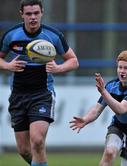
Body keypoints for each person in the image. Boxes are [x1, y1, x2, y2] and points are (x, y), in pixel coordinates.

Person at [0, 0, 79, 166]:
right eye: (28, 14)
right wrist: (7, 65)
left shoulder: (53, 36)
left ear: (42, 12)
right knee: (24, 150)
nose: (33, 17)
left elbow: (73, 61)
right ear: (22, 14)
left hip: (42, 94)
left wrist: (57, 68)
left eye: (36, 13)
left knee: (37, 140)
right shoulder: (11, 35)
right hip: (18, 95)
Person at [70, 49, 127, 166]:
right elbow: (97, 109)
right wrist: (85, 119)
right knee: (109, 152)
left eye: (126, 68)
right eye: (120, 67)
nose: (122, 71)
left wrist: (103, 91)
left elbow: (121, 109)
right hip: (118, 126)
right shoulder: (112, 86)